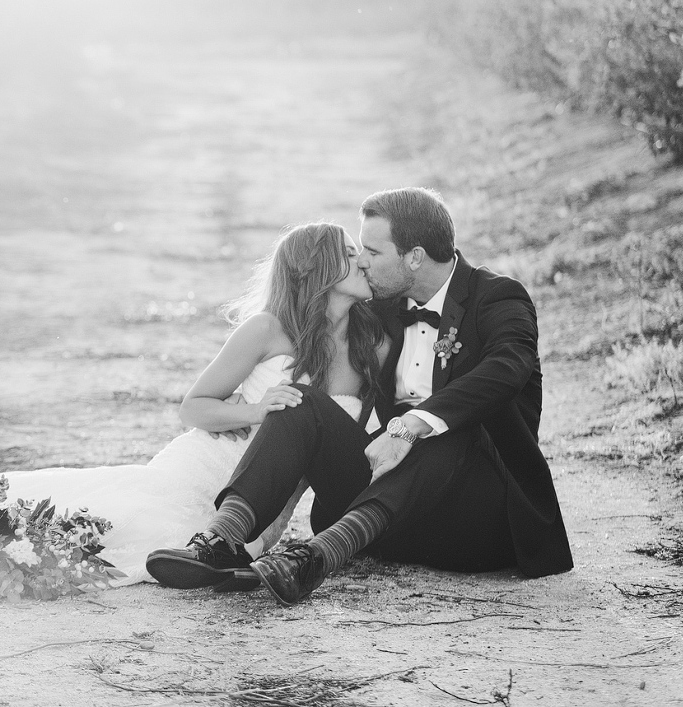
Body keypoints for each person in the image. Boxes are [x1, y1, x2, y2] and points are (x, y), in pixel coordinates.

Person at [0, 222, 381, 605]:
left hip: (283, 493)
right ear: (321, 270)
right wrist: (256, 406)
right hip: (209, 464)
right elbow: (193, 406)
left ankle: (228, 547)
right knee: (110, 527)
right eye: (351, 255)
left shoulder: (370, 342)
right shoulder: (267, 329)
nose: (363, 262)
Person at [146, 187, 574, 603]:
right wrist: (255, 400)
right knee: (301, 400)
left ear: (414, 257)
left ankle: (315, 558)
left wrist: (411, 424)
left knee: (444, 430)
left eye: (371, 251)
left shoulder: (497, 298)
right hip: (384, 519)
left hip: (474, 519)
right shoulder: (380, 310)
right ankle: (222, 541)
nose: (361, 263)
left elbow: (508, 369)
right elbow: (313, 317)